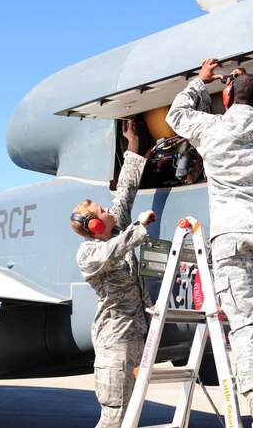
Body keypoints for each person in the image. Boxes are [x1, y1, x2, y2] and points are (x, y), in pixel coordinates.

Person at [165, 59, 253, 428]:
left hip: (230, 237)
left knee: (246, 325)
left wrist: (201, 81)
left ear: (226, 98)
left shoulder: (210, 128)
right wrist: (244, 85)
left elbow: (177, 115)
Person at [70, 119, 157, 428]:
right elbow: (114, 250)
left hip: (136, 339)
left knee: (131, 416)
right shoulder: (90, 253)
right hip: (115, 345)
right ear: (94, 226)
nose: (108, 211)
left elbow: (126, 191)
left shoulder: (116, 229)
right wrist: (140, 227)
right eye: (101, 212)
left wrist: (132, 143)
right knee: (114, 418)